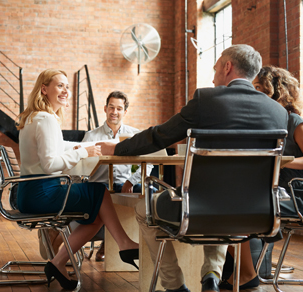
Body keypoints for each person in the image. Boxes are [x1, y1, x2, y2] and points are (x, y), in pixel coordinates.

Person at [97, 45, 288, 292]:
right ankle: (211, 275)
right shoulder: (278, 112)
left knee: (144, 208)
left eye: (216, 67)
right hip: (260, 214)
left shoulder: (205, 100)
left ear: (228, 67)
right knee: (223, 202)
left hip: (198, 210)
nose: (213, 75)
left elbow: (159, 136)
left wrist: (116, 149)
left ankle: (175, 286)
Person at [17, 69, 139, 290]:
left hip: (30, 191)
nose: (65, 91)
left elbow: (59, 146)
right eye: (60, 86)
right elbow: (50, 164)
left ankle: (58, 262)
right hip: (42, 192)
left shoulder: (36, 117)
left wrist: (85, 147)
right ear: (44, 89)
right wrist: (84, 152)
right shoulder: (46, 119)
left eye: (67, 86)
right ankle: (124, 243)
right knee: (99, 193)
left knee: (96, 214)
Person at [219, 65, 303, 290]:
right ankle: (243, 271)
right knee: (217, 201)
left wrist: (282, 160)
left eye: (260, 89)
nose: (254, 94)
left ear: (278, 92)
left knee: (233, 204)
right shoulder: (262, 124)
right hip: (270, 190)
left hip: (294, 196)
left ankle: (246, 273)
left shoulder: (294, 121)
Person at [81, 90, 153, 261]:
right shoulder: (91, 136)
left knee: (152, 192)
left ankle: (152, 243)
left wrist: (132, 179)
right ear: (105, 109)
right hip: (100, 185)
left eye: (119, 108)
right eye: (111, 107)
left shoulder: (134, 135)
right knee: (100, 195)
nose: (114, 112)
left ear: (125, 112)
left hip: (125, 183)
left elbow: (145, 163)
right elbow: (81, 166)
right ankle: (107, 242)